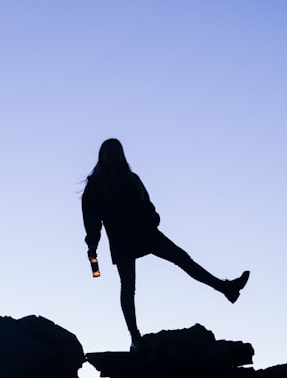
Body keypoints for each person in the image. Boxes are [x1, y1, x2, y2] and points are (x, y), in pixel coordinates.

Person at [82, 138, 249, 352]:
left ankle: (226, 288)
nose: (114, 156)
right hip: (122, 239)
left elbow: (147, 203)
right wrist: (92, 248)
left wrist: (153, 217)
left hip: (146, 232)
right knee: (128, 287)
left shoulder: (132, 179)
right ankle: (135, 338)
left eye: (117, 152)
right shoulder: (96, 184)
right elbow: (91, 220)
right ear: (102, 156)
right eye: (110, 152)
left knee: (183, 259)